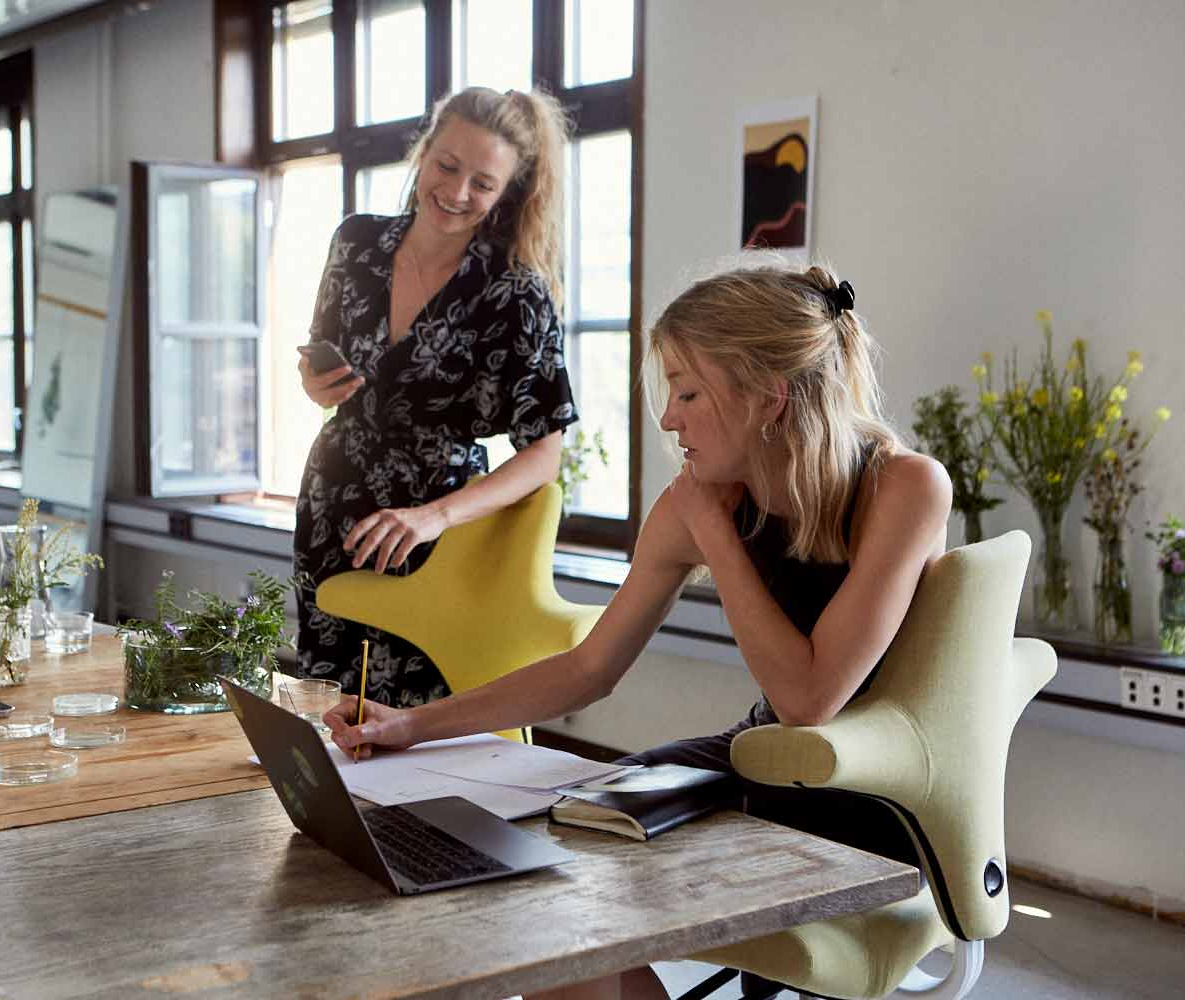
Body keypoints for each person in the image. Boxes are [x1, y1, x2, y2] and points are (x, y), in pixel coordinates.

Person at [325, 263, 952, 999]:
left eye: (688, 392)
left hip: (873, 793)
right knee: (546, 869)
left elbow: (812, 699)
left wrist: (716, 538)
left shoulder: (904, 487)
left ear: (766, 399)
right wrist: (415, 726)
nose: (668, 419)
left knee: (579, 863)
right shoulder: (699, 503)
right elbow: (589, 669)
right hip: (762, 758)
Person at [294, 86, 579, 708]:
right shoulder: (356, 244)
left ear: (507, 194)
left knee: (413, 718)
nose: (456, 193)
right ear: (424, 153)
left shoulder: (515, 293)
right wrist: (317, 384)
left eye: (482, 183)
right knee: (329, 700)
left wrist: (435, 517)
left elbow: (545, 454)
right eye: (447, 166)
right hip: (331, 502)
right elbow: (322, 364)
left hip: (435, 530)